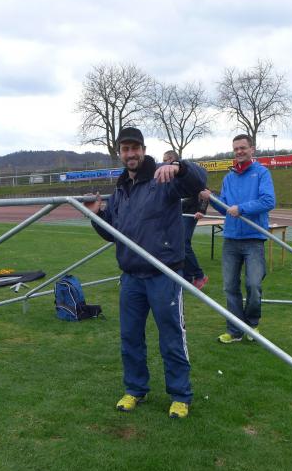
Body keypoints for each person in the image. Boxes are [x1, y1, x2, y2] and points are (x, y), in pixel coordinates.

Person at [86, 127, 206, 419]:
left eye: (135, 148)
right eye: (125, 149)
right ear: (120, 153)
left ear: (143, 149)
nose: (131, 154)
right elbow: (113, 233)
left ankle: (180, 395)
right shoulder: (120, 190)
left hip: (164, 275)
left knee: (171, 337)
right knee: (130, 338)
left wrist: (179, 167)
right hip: (131, 277)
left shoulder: (162, 177)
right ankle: (135, 389)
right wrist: (96, 214)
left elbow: (198, 182)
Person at [199, 134, 275, 344]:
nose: (239, 151)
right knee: (230, 287)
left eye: (243, 148)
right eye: (236, 149)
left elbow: (268, 201)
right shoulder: (229, 178)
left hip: (253, 238)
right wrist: (211, 198)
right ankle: (234, 330)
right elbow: (225, 208)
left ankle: (252, 325)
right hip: (231, 239)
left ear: (252, 149)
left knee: (253, 285)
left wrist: (241, 208)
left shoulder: (262, 173)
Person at [162, 150, 209, 290]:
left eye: (165, 160)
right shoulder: (171, 176)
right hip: (180, 212)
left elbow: (205, 190)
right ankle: (187, 277)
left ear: (171, 159)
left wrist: (202, 210)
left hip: (192, 212)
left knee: (184, 242)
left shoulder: (187, 170)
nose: (164, 163)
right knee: (176, 243)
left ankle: (199, 275)